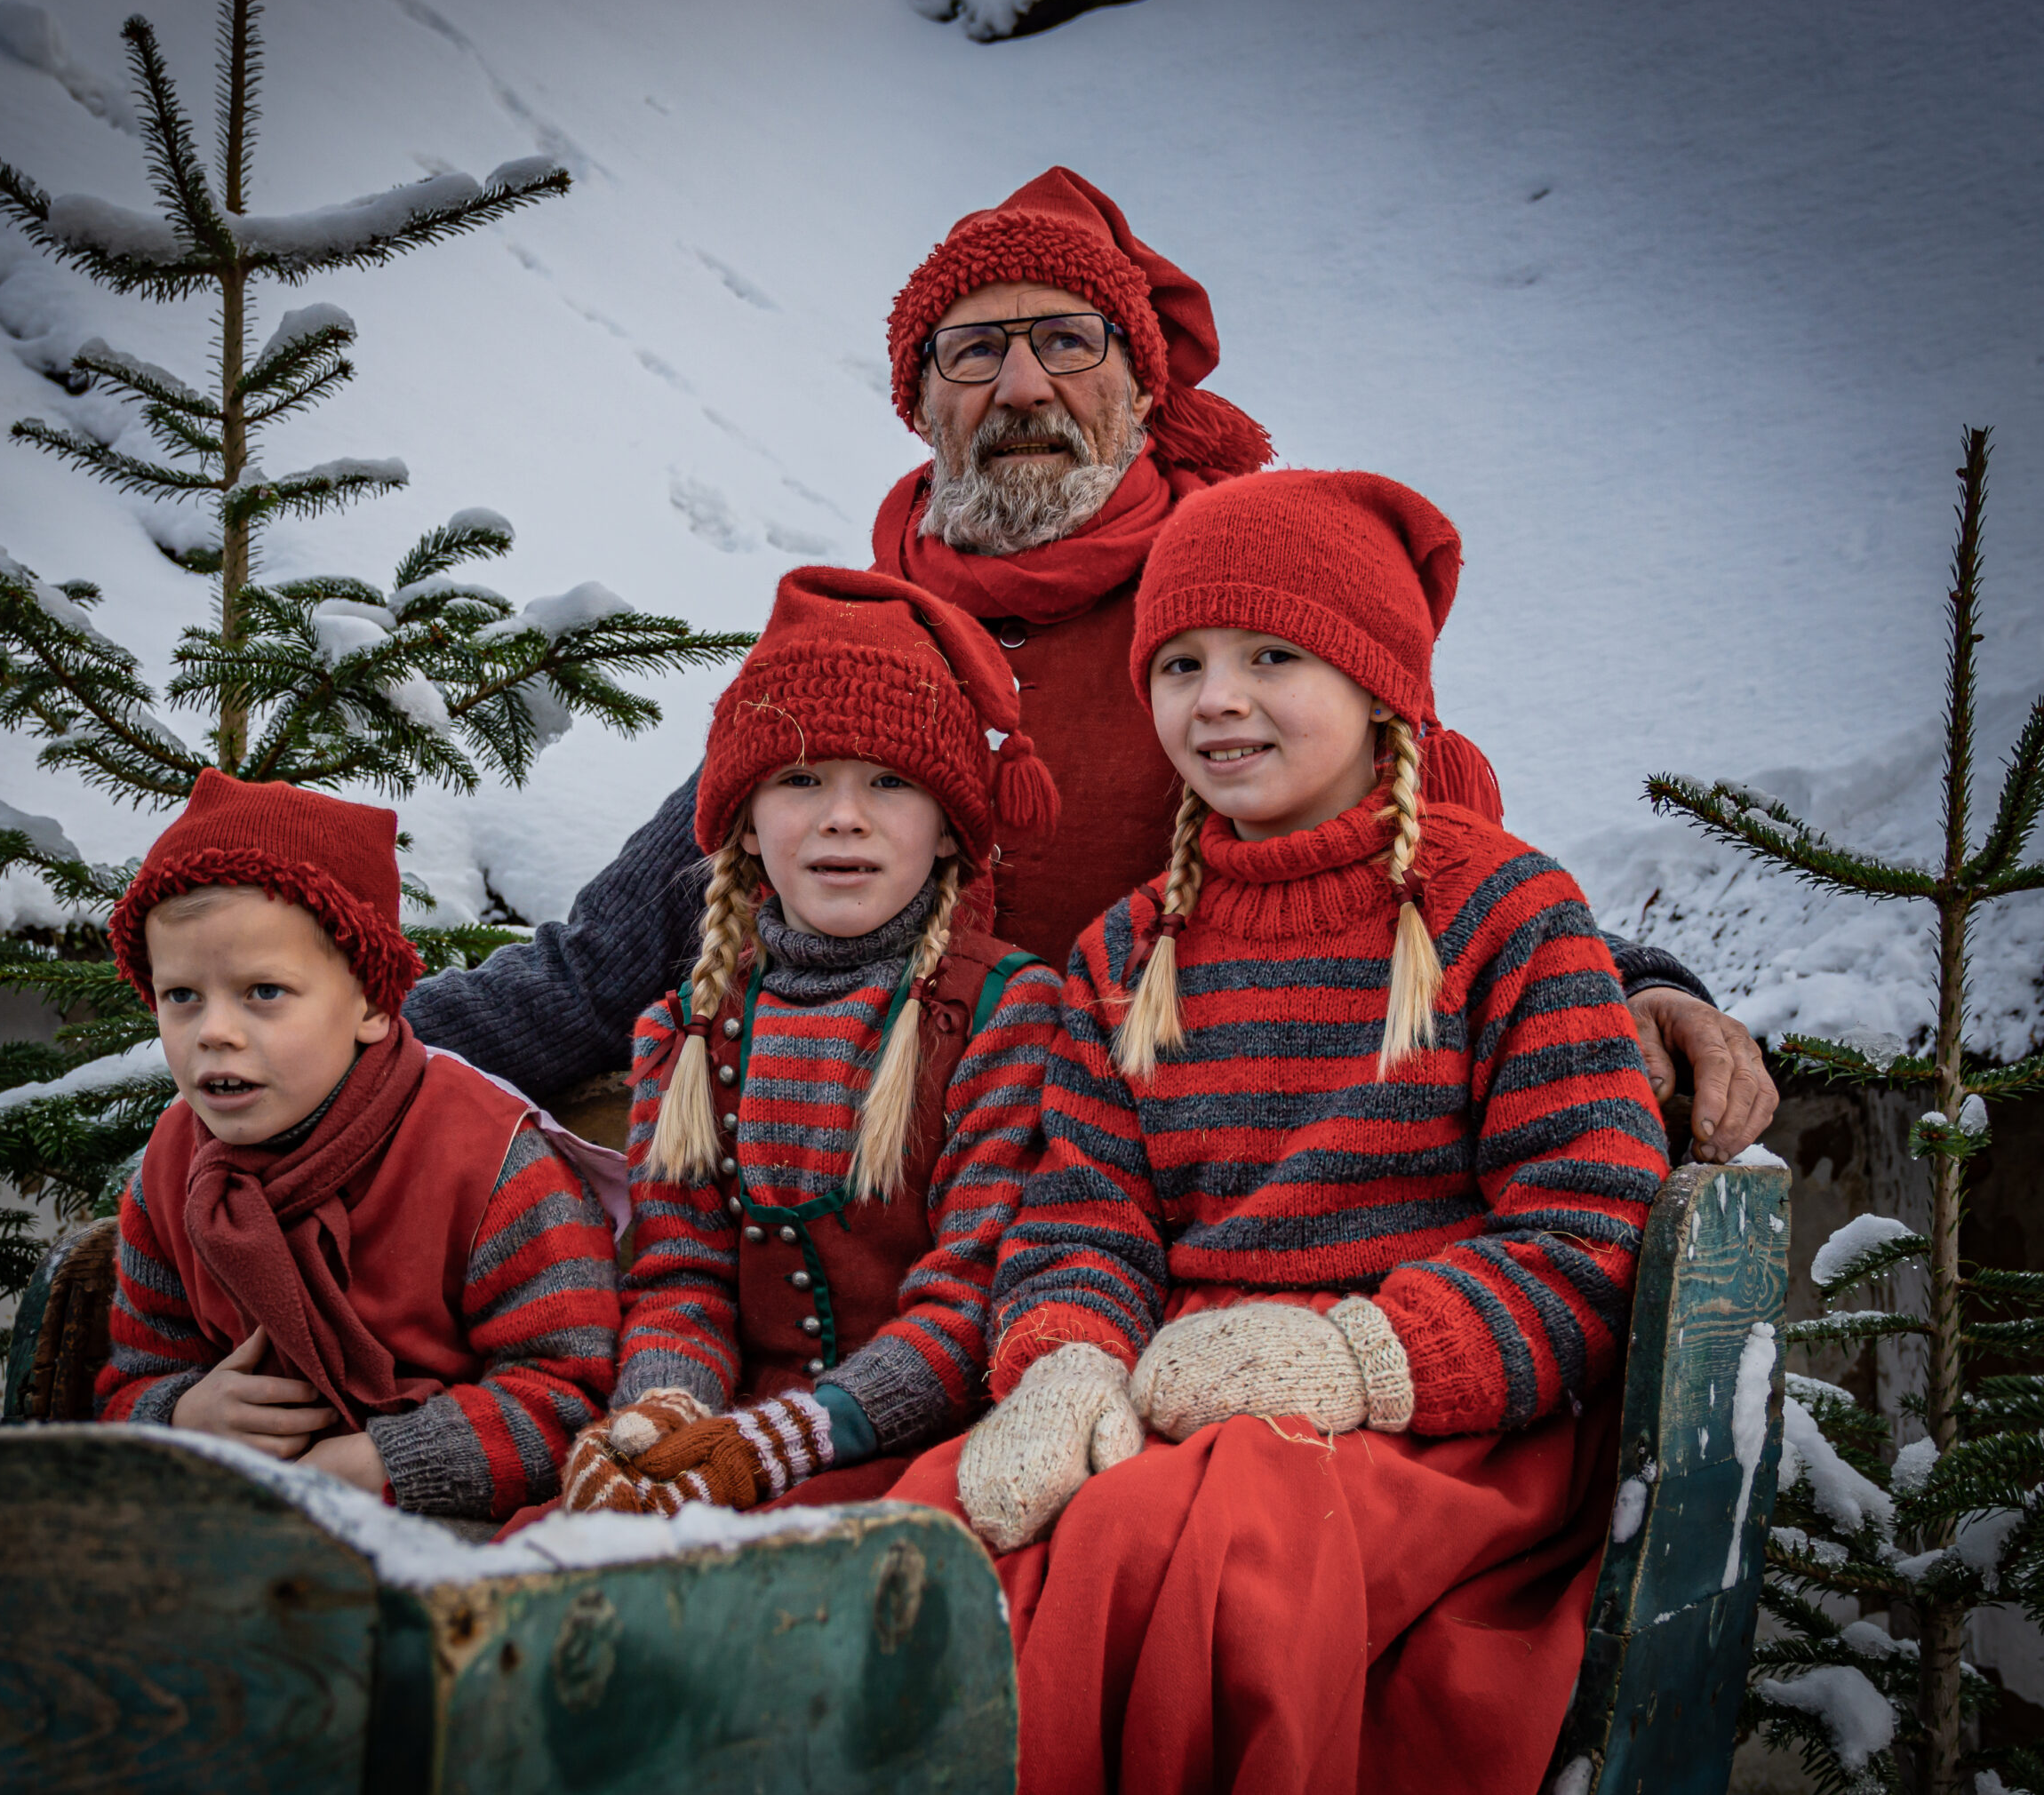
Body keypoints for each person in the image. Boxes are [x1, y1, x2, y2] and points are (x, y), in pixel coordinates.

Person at [403, 168, 1776, 1167]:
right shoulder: (852, 643)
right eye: (974, 351)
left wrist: (1639, 981)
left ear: (1141, 382)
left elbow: (1437, 857)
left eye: (1068, 341)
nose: (1021, 389)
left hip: (1169, 1201)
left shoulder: (1236, 626)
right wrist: (333, 1048)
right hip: (882, 1216)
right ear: (921, 398)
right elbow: (608, 958)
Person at [888, 472, 1673, 1794]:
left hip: (1434, 1417)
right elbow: (1084, 1215)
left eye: (1273, 657)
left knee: (1204, 1544)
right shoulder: (1127, 954)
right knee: (948, 1530)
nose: (1219, 699)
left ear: (1380, 685)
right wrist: (1067, 1364)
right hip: (1176, 1386)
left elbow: (1588, 1226)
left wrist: (1363, 1357)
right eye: (1181, 662)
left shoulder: (1504, 912)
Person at [546, 567, 1064, 1520]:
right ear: (742, 820)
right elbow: (682, 1283)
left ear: (950, 830)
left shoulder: (1003, 1014)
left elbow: (970, 1302)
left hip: (917, 1460)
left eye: (888, 783)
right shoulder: (688, 1033)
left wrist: (780, 1442)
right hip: (728, 1442)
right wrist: (661, 1413)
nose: (841, 816)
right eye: (799, 780)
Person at [94, 770, 621, 1525]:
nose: (213, 1031)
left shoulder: (489, 1163)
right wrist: (183, 1417)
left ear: (371, 1003)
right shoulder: (172, 1170)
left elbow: (575, 1398)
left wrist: (385, 1463)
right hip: (239, 1526)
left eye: (263, 992)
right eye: (182, 996)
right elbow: (130, 1378)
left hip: (456, 1539)